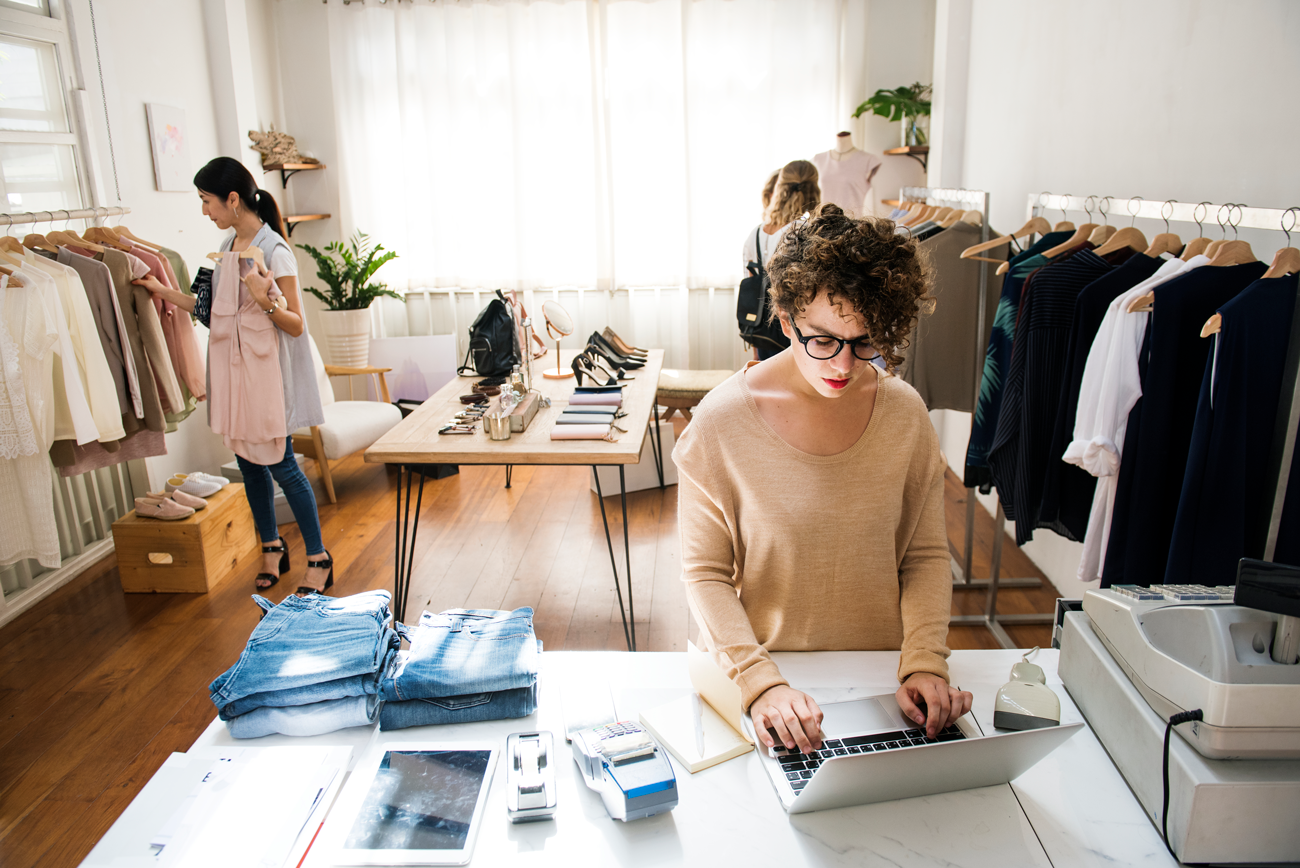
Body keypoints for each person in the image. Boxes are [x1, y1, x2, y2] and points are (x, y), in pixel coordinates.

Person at [679, 203, 971, 756]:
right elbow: (705, 574)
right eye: (823, 340)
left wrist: (926, 662)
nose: (843, 365)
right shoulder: (719, 424)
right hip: (769, 683)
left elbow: (925, 555)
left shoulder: (904, 414)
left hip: (888, 685)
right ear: (787, 320)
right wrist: (758, 682)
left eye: (865, 343)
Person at [133, 157, 334, 596]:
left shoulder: (275, 251)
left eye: (207, 201)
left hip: (266, 381)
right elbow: (208, 311)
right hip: (235, 377)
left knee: (281, 465)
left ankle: (318, 556)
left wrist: (265, 301)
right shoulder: (226, 248)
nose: (205, 211)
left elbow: (297, 324)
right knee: (248, 463)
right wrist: (162, 292)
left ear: (232, 199)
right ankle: (271, 546)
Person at [741, 160, 822, 360]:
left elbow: (752, 286)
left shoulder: (756, 233)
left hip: (763, 329)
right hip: (795, 329)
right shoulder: (805, 231)